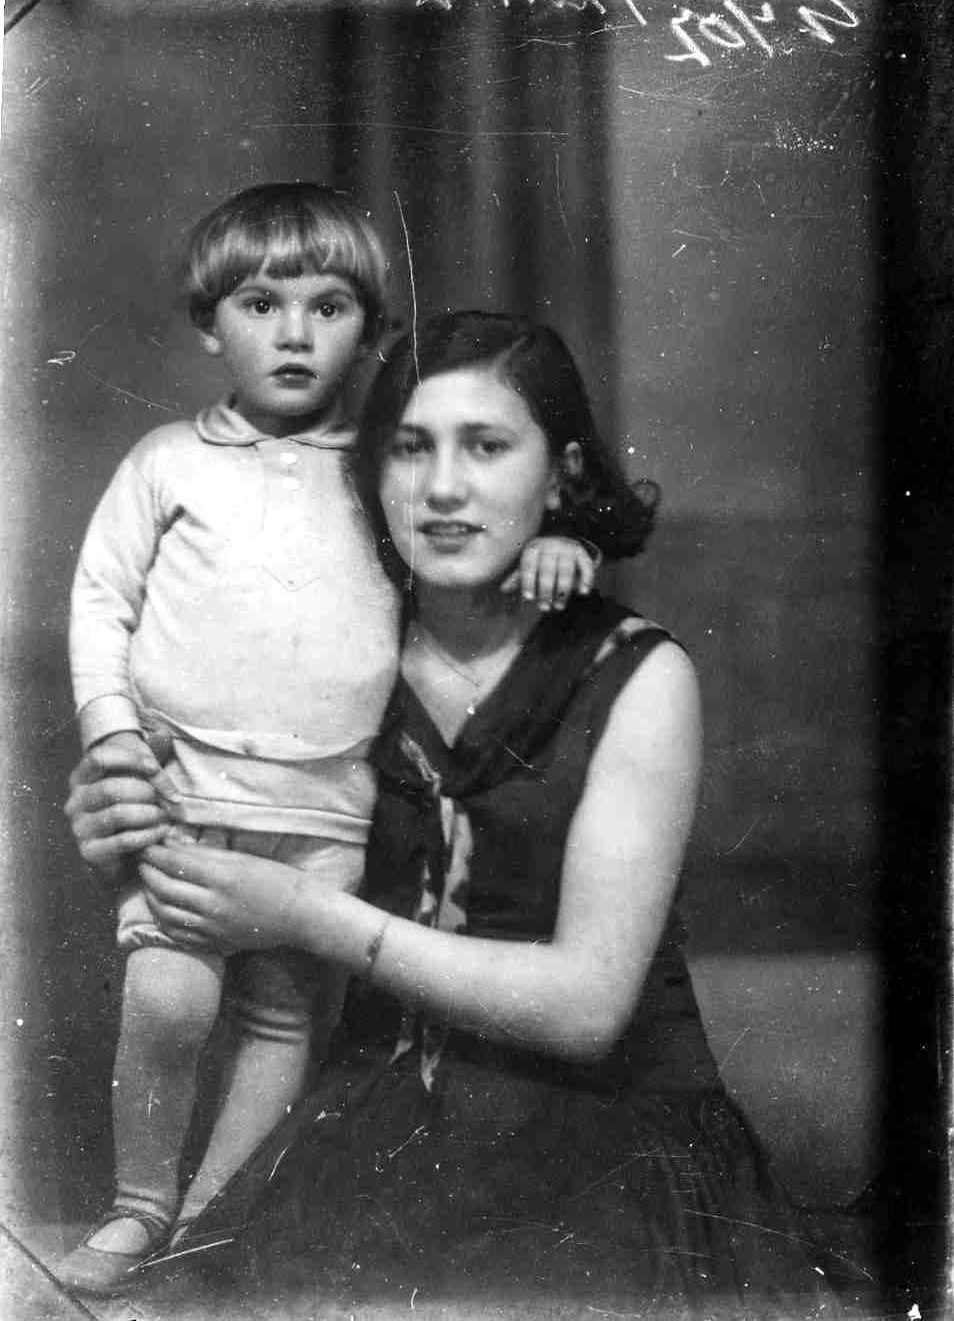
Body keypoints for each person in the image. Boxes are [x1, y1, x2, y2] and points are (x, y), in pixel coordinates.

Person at [64, 311, 839, 1319]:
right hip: (374, 1122)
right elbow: (209, 812)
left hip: (605, 1137)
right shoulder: (331, 662)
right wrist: (121, 819)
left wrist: (306, 914)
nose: (440, 488)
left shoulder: (639, 676)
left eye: (486, 447)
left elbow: (588, 1006)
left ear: (559, 475)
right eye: (410, 448)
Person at [60, 195, 597, 1299]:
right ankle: (139, 1205)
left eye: (330, 306)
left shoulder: (382, 472)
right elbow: (101, 602)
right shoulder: (166, 463)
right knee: (169, 999)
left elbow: (463, 568)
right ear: (210, 325)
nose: (296, 333)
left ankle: (210, 1224)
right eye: (262, 305)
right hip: (186, 789)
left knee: (282, 1018)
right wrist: (112, 734)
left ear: (370, 330)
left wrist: (554, 546)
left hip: (329, 808)